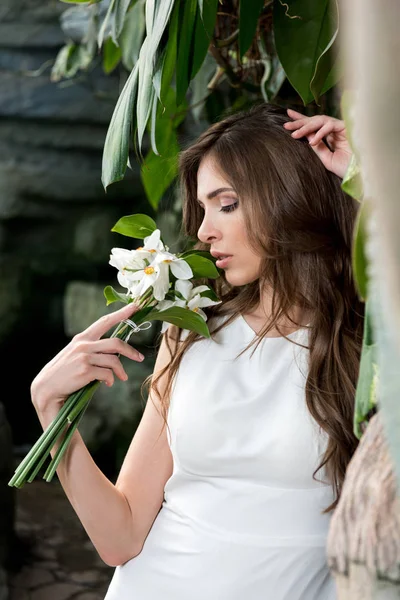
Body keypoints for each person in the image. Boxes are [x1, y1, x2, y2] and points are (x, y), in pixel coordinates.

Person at [30, 102, 364, 600]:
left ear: (290, 195)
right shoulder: (189, 331)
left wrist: (366, 175)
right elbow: (120, 539)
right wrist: (51, 411)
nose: (205, 231)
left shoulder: (367, 335)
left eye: (226, 204)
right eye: (203, 208)